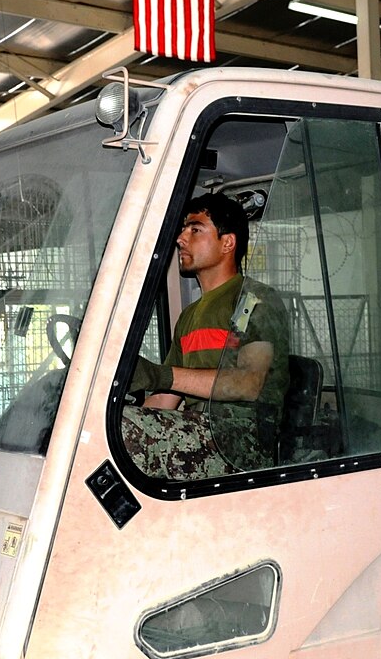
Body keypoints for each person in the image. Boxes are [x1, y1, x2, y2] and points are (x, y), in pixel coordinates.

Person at [123, 192, 290, 479]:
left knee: (125, 432)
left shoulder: (254, 300)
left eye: (195, 229)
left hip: (241, 440)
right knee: (106, 431)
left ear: (227, 243)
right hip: (199, 429)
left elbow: (248, 384)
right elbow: (166, 401)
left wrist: (158, 375)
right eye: (183, 229)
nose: (180, 239)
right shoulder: (189, 316)